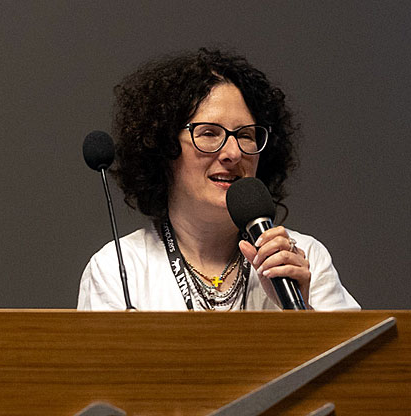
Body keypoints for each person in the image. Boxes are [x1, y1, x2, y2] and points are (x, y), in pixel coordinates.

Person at [78, 48, 359, 311]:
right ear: (163, 147)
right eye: (210, 134)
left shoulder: (304, 259)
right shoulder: (119, 269)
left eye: (245, 135)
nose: (233, 153)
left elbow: (358, 350)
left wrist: (300, 311)